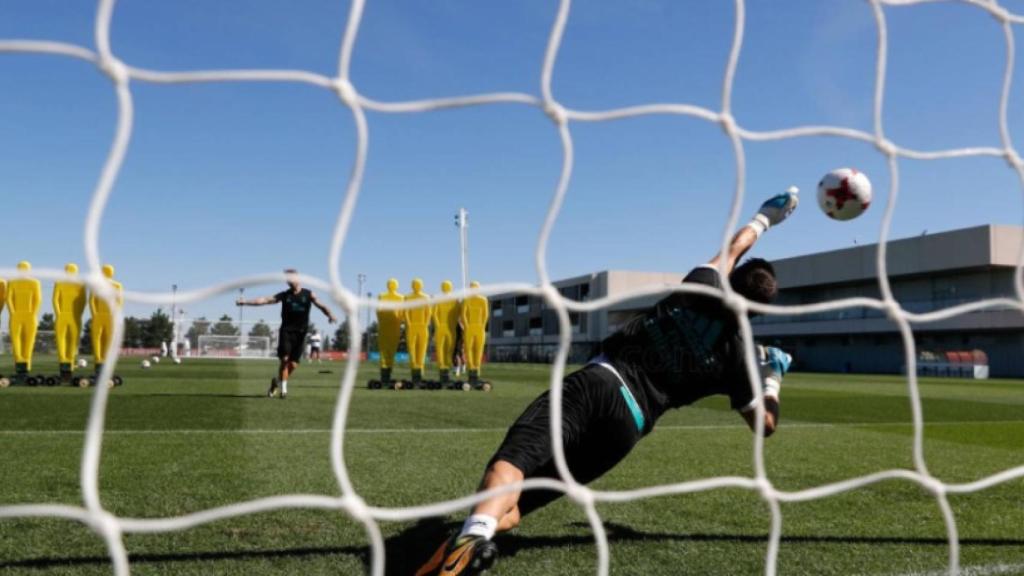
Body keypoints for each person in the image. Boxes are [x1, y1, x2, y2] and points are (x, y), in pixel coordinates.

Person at [415, 189, 799, 576]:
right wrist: (772, 380)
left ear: (732, 279)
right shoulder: (739, 358)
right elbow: (764, 425)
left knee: (513, 462)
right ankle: (469, 544)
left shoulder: (701, 285)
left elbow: (734, 247)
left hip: (599, 383)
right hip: (626, 429)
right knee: (521, 507)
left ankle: (473, 535)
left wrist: (766, 217)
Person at [236, 269, 336, 399]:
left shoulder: (309, 294)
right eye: (288, 279)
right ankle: (284, 391)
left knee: (293, 364)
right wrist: (245, 302)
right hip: (286, 332)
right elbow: (265, 300)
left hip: (301, 333)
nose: (290, 281)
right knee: (284, 360)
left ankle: (276, 382)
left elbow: (321, 306)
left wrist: (330, 315)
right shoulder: (284, 295)